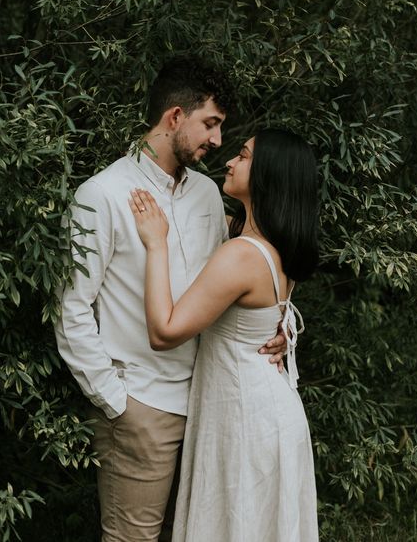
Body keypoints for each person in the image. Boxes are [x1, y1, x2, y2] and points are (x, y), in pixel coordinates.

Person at [54, 57, 287, 542]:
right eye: (211, 124)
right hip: (142, 406)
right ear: (175, 117)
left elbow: (242, 276)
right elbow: (71, 308)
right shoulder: (101, 195)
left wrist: (279, 328)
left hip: (210, 400)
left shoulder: (206, 192)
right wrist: (116, 401)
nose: (218, 142)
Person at [129, 128, 319, 542]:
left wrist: (156, 244)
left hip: (246, 417)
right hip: (268, 408)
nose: (230, 161)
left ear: (267, 175)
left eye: (245, 156)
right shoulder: (276, 243)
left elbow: (165, 332)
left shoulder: (241, 255)